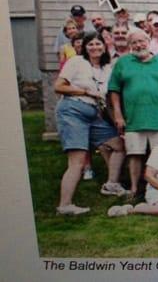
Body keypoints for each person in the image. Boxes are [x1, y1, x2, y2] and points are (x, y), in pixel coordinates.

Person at [54, 33, 127, 215]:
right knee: (77, 161)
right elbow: (59, 86)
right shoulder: (76, 62)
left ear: (104, 46)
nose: (95, 47)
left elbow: (107, 98)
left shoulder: (107, 68)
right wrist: (85, 91)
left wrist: (117, 119)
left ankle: (111, 184)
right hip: (73, 110)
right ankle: (65, 205)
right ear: (85, 47)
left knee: (119, 145)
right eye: (91, 44)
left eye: (98, 44)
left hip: (94, 114)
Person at [108, 29, 158, 195]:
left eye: (141, 41)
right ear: (130, 46)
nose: (138, 45)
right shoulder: (122, 63)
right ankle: (134, 189)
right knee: (135, 155)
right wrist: (118, 115)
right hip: (134, 119)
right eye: (134, 42)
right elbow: (114, 90)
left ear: (148, 42)